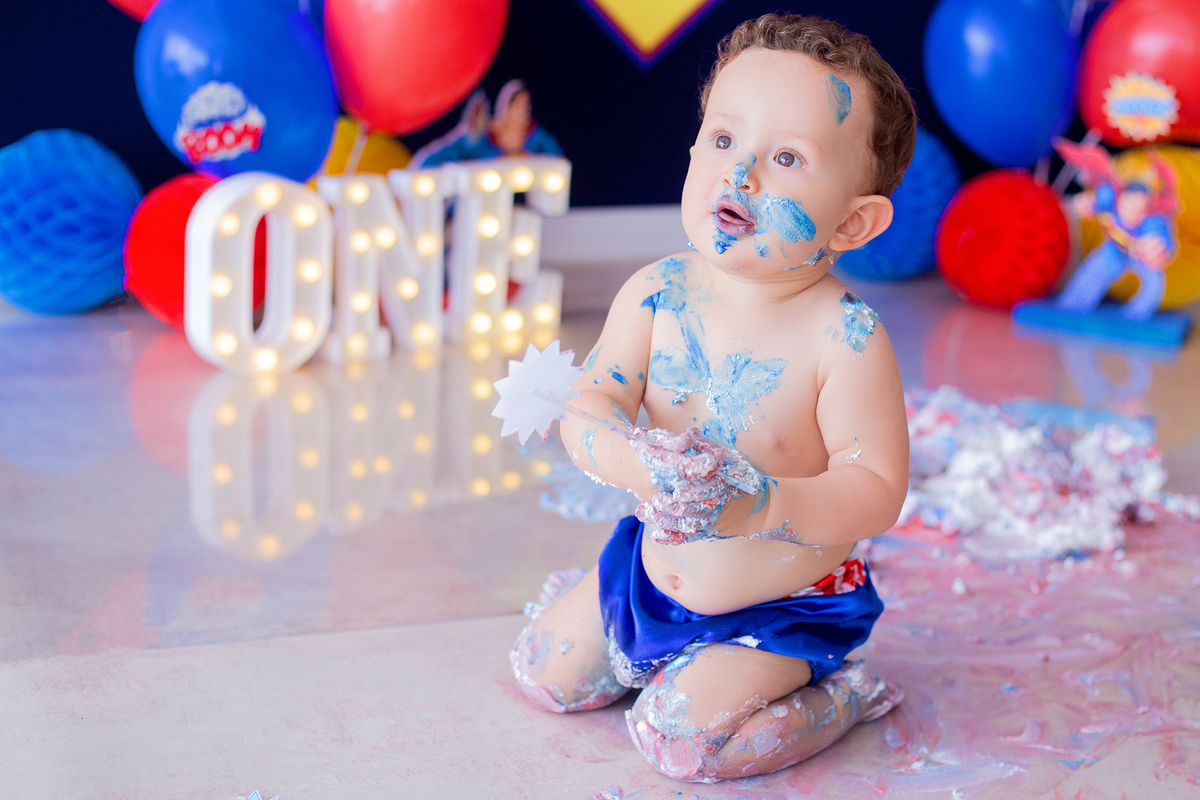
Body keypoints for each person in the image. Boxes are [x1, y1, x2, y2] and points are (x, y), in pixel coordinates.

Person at [510, 14, 915, 782]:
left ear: (854, 221)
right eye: (725, 140)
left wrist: (764, 505)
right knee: (542, 672)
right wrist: (632, 460)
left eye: (788, 157)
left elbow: (875, 489)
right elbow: (589, 406)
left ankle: (842, 695)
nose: (743, 173)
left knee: (683, 743)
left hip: (776, 612)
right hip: (649, 574)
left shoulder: (846, 338)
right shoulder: (657, 293)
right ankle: (636, 634)